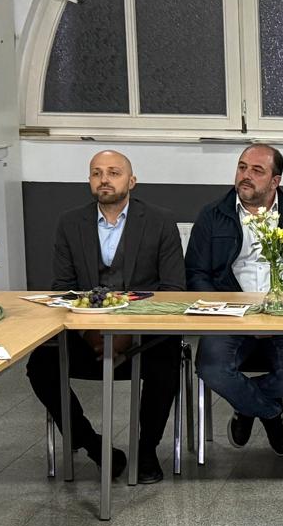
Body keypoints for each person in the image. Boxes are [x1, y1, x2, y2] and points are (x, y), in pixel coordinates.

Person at [24, 150, 183, 484]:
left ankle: (146, 449)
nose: (104, 180)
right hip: (89, 334)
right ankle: (93, 444)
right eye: (96, 173)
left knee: (167, 357)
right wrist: (88, 332)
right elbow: (63, 289)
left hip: (141, 337)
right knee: (41, 364)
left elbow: (172, 290)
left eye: (113, 172)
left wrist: (128, 333)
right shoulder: (70, 222)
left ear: (132, 181)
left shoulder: (160, 221)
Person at [185, 144, 283, 457]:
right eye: (242, 167)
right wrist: (227, 311)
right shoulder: (212, 216)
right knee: (211, 367)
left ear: (275, 181)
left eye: (257, 170)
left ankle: (246, 406)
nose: (245, 175)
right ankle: (270, 412)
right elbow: (196, 274)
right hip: (231, 317)